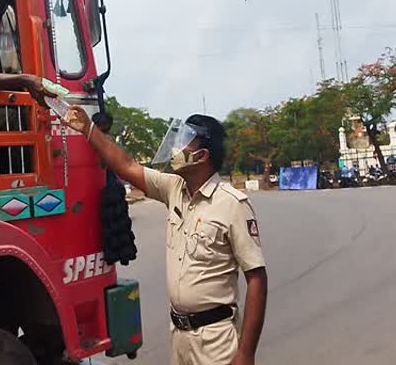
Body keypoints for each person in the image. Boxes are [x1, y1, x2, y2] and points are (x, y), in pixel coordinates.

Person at [63, 108, 268, 365]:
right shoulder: (174, 189)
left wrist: (246, 353)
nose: (175, 148)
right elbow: (126, 166)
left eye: (184, 143)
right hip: (180, 336)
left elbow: (257, 279)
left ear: (201, 155)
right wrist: (88, 129)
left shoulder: (232, 204)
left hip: (216, 340)